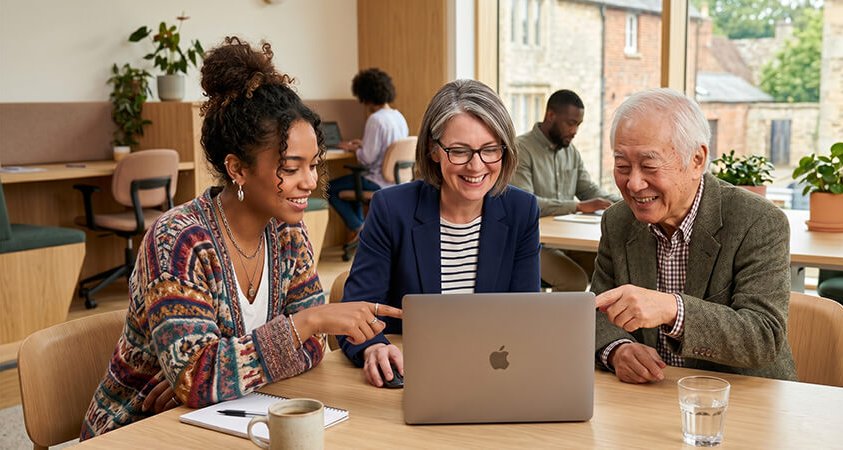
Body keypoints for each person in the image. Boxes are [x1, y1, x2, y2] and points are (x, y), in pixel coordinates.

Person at [80, 37, 401, 439]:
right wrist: (305, 323)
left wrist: (218, 373)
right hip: (137, 429)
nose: (309, 181)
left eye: (314, 165)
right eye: (291, 167)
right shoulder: (179, 241)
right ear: (237, 168)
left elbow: (313, 347)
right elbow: (201, 377)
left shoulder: (287, 230)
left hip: (223, 417)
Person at [336, 79, 541, 387]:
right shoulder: (392, 209)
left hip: (494, 376)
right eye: (459, 151)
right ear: (433, 150)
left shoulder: (521, 210)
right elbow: (356, 307)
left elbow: (527, 315)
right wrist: (374, 346)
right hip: (412, 376)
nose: (476, 166)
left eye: (490, 150)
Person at [592, 88, 797, 384]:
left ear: (697, 160)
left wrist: (672, 309)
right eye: (622, 166)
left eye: (649, 166)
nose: (634, 183)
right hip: (650, 398)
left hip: (741, 401)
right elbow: (598, 310)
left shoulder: (758, 221)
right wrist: (617, 350)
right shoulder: (618, 220)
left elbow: (762, 337)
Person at [511, 89, 620, 292]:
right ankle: (555, 325)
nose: (575, 131)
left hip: (566, 243)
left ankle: (595, 324)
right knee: (574, 281)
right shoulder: (521, 150)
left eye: (578, 125)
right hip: (530, 243)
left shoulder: (571, 152)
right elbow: (527, 205)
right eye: (571, 123)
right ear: (551, 115)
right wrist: (577, 206)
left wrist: (628, 204)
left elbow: (590, 191)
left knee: (615, 268)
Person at [330, 68, 409, 243]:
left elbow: (367, 159)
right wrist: (362, 145)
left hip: (377, 181)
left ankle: (359, 227)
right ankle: (361, 229)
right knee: (351, 185)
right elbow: (387, 149)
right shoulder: (398, 117)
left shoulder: (376, 119)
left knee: (329, 188)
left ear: (366, 95)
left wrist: (354, 149)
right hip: (397, 182)